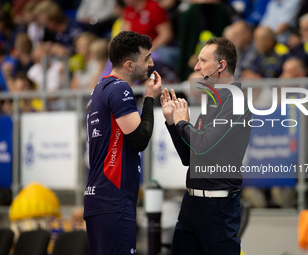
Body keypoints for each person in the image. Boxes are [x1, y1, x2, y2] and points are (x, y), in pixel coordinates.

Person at [160, 37, 252, 254]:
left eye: (203, 60)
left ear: (221, 66)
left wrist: (183, 122)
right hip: (192, 203)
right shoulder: (214, 100)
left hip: (218, 207)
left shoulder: (235, 101)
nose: (196, 66)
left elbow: (201, 145)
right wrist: (173, 124)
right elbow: (189, 157)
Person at [83, 31, 162, 255]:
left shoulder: (100, 87)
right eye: (146, 58)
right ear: (129, 64)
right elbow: (139, 139)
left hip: (100, 199)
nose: (152, 63)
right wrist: (149, 98)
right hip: (113, 200)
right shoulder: (120, 89)